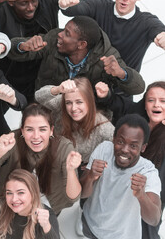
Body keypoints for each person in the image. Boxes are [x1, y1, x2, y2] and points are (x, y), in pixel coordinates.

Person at [0, 103, 81, 215]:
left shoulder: (64, 147)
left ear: (51, 130)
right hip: (14, 200)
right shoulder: (13, 139)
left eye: (42, 129)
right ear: (22, 131)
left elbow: (74, 197)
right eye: (29, 130)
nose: (36, 136)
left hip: (48, 201)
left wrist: (71, 170)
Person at [7, 15, 145, 96]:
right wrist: (23, 46)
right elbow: (10, 48)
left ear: (81, 45)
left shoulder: (107, 56)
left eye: (67, 33)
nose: (60, 34)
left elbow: (139, 87)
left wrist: (121, 73)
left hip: (84, 116)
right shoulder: (54, 38)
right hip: (47, 106)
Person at [96, 81, 165, 239]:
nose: (156, 105)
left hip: (149, 186)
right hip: (122, 177)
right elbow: (118, 103)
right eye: (151, 100)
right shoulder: (137, 115)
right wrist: (105, 94)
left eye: (163, 101)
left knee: (145, 225)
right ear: (145, 103)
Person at [80, 114, 162, 238]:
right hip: (88, 225)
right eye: (120, 141)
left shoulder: (148, 172)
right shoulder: (104, 149)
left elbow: (154, 219)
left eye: (133, 146)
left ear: (143, 147)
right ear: (114, 139)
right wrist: (91, 176)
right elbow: (82, 194)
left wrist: (141, 195)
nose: (124, 149)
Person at [0, 0, 59, 101]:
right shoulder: (1, 10)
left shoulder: (47, 3)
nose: (31, 7)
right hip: (7, 73)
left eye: (34, 1)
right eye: (24, 3)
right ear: (11, 2)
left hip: (36, 75)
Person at [58, 0, 165, 72]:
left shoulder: (146, 22)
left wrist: (162, 37)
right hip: (89, 80)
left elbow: (159, 30)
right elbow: (75, 8)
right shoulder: (99, 5)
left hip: (122, 89)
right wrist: (65, 5)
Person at [35, 77, 114, 167]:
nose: (73, 108)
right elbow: (39, 96)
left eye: (79, 102)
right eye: (68, 103)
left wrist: (93, 165)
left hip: (82, 174)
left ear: (89, 101)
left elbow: (119, 149)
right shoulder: (61, 105)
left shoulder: (103, 126)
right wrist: (58, 89)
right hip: (55, 164)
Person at [0, 169, 60, 239]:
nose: (14, 199)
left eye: (20, 192)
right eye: (9, 193)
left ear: (33, 193)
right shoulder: (1, 205)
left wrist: (46, 226)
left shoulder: (47, 217)